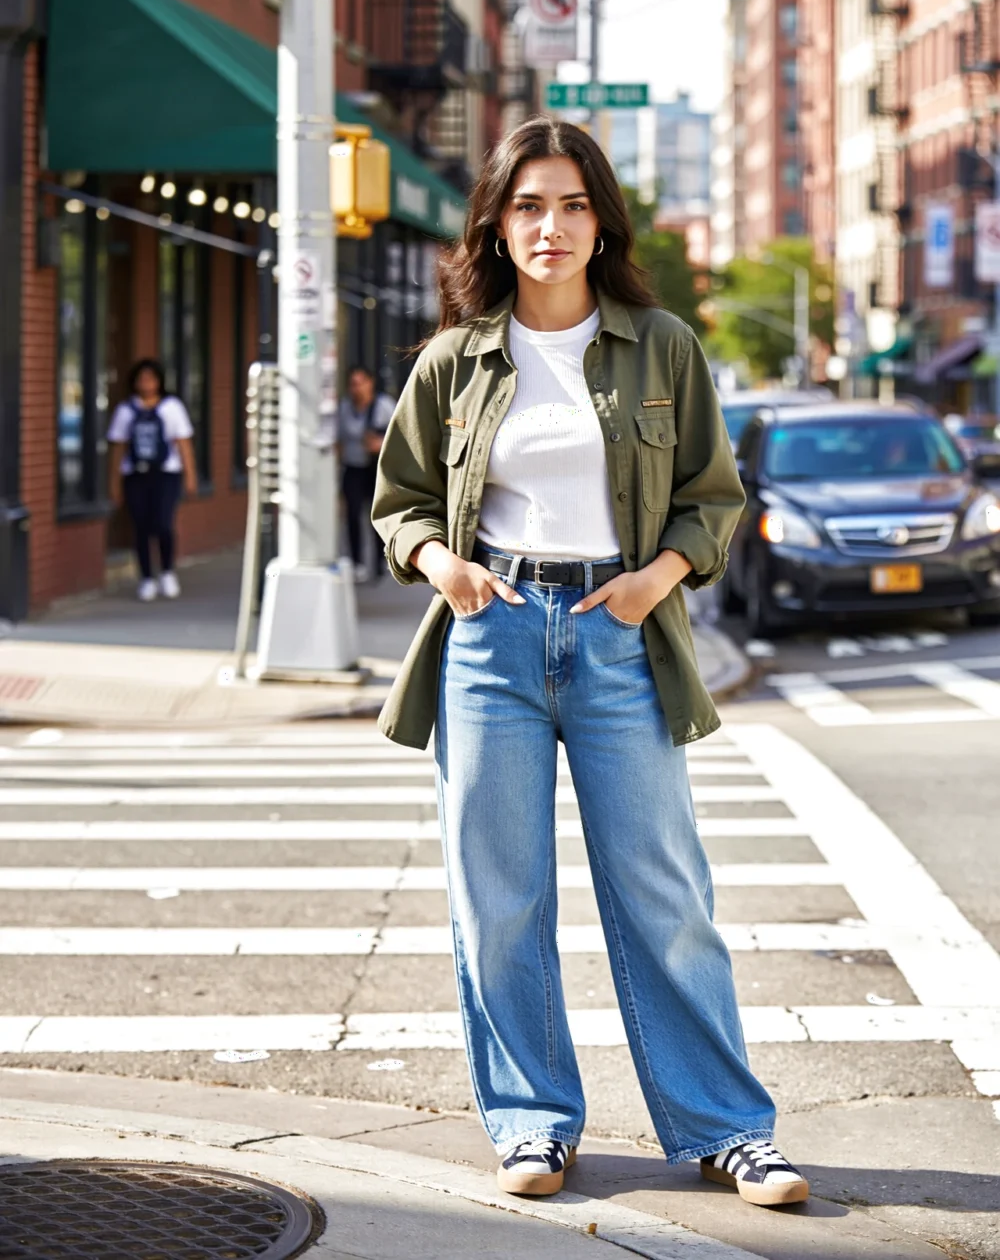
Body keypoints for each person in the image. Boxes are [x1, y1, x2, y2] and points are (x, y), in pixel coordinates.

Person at [372, 118, 808, 1208]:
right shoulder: (455, 360)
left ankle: (727, 1131)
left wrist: (656, 579)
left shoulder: (660, 345)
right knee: (498, 898)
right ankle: (530, 1125)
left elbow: (714, 496)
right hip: (492, 634)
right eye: (527, 206)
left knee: (664, 892)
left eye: (570, 205)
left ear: (600, 220)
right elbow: (397, 503)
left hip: (621, 633)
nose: (549, 226)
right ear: (497, 223)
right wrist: (442, 566)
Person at [108, 359, 197, 602]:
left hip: (166, 473)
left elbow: (183, 443)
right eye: (142, 379)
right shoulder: (126, 410)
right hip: (136, 474)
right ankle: (146, 578)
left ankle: (167, 572)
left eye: (151, 378)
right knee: (141, 527)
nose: (146, 384)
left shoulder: (172, 407)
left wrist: (191, 476)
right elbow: (118, 448)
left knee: (163, 523)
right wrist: (114, 483)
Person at [339, 365, 394, 581]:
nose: (356, 389)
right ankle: (356, 562)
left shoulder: (383, 406)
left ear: (370, 383)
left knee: (377, 516)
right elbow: (338, 438)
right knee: (352, 514)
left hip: (376, 468)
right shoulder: (344, 408)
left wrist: (380, 443)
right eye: (352, 384)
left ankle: (381, 561)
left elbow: (400, 434)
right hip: (353, 467)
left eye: (360, 383)